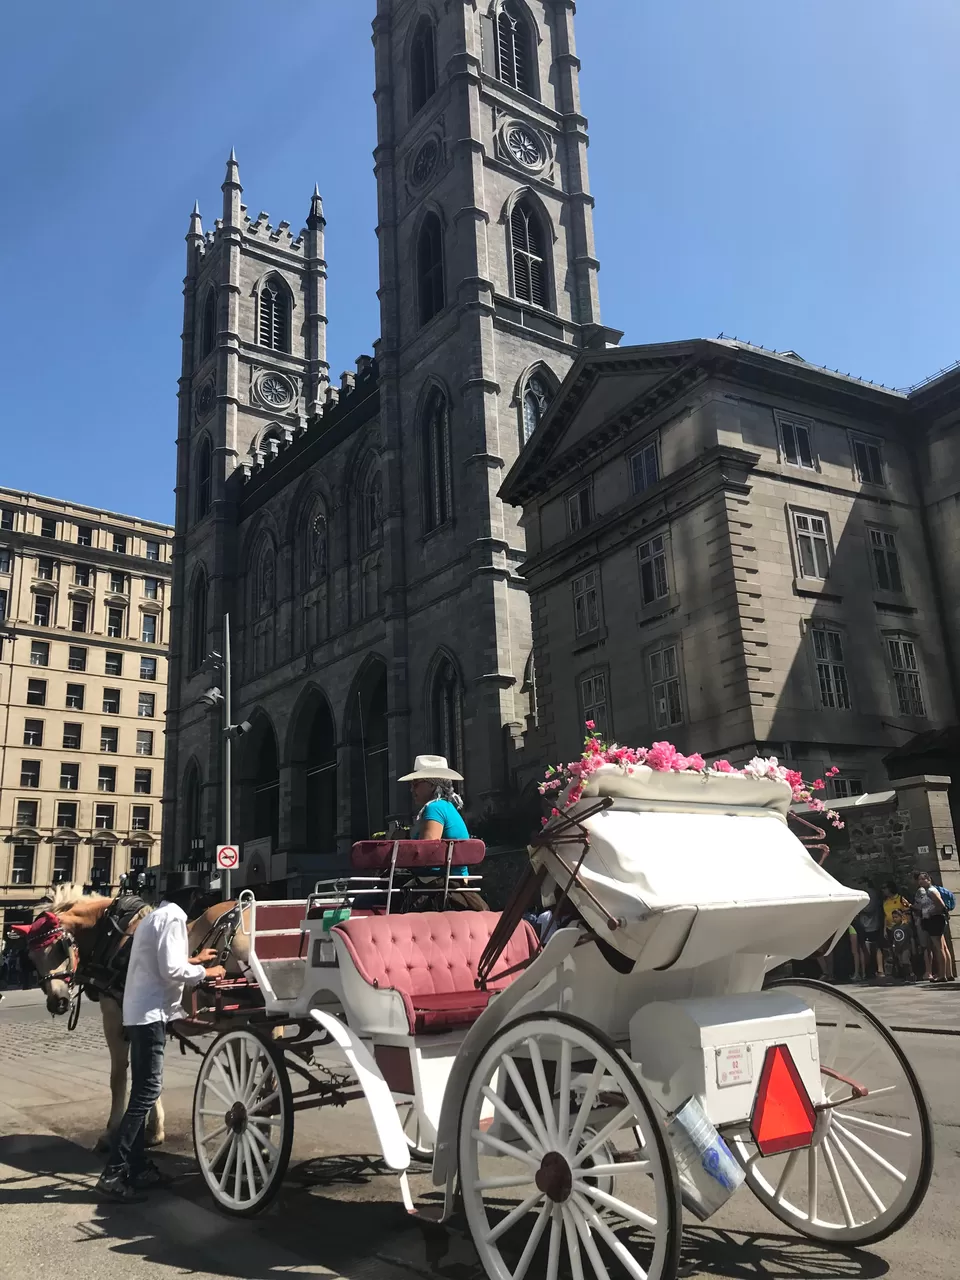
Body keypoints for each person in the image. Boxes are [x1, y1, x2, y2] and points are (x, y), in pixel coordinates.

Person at [96, 882, 225, 1202]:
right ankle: (114, 1171)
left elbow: (159, 962)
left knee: (142, 1088)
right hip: (151, 1015)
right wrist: (208, 972)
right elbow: (170, 970)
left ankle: (138, 1167)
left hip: (139, 1013)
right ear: (192, 898)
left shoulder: (154, 917)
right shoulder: (173, 920)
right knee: (147, 1092)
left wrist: (194, 960)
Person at [399, 754, 470, 873]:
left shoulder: (434, 808)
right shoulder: (446, 805)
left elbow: (425, 853)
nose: (412, 789)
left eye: (415, 783)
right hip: (451, 880)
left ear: (432, 785)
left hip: (438, 882)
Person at [913, 871, 948, 983]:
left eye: (923, 879)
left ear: (929, 879)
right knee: (942, 947)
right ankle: (948, 973)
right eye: (919, 880)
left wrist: (930, 913)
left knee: (939, 948)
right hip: (935, 920)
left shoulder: (931, 891)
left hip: (935, 920)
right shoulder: (929, 891)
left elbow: (941, 905)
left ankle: (942, 975)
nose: (921, 882)